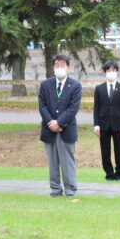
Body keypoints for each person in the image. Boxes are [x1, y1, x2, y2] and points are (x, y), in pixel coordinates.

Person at [38, 54, 82, 197]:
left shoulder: (75, 86)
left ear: (68, 68)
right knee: (52, 162)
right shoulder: (45, 85)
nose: (59, 67)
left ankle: (70, 190)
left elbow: (73, 108)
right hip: (49, 129)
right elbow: (42, 106)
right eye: (57, 65)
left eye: (62, 65)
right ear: (53, 67)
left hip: (66, 129)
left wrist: (59, 122)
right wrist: (51, 122)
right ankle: (55, 190)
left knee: (67, 162)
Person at [93, 61, 120, 181]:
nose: (111, 73)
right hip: (103, 124)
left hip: (119, 125)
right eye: (108, 71)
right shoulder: (99, 89)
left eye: (113, 71)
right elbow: (96, 108)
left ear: (117, 72)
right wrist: (96, 124)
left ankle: (119, 173)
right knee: (105, 151)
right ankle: (109, 173)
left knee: (119, 151)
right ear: (105, 72)